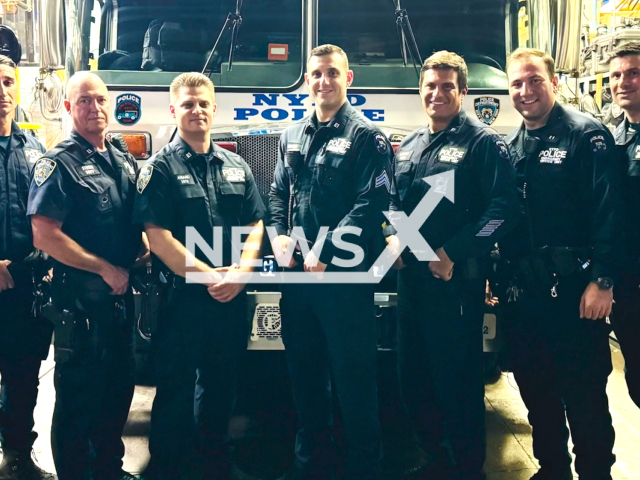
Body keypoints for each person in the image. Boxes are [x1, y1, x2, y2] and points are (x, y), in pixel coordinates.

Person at [384, 51, 520, 480]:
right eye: (430, 86)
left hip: (455, 284)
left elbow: (503, 209)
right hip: (413, 285)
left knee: (456, 384)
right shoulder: (408, 145)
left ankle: (466, 468)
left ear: (463, 91)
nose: (437, 93)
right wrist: (393, 235)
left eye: (447, 86)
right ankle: (433, 459)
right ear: (420, 91)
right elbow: (391, 200)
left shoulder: (483, 143)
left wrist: (454, 254)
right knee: (412, 378)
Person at [268, 44, 392, 480]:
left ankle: (363, 467)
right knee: (304, 375)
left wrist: (330, 248)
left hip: (343, 280)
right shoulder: (292, 134)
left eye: (332, 74)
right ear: (307, 79)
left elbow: (374, 201)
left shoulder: (367, 137)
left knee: (353, 378)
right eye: (316, 74)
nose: (323, 81)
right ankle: (311, 465)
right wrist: (278, 234)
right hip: (297, 279)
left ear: (348, 79)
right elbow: (278, 192)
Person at [133, 72, 265, 480]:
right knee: (174, 385)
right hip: (182, 298)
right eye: (188, 104)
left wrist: (242, 272)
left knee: (222, 382)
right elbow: (157, 237)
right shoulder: (159, 169)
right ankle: (170, 466)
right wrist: (212, 278)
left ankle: (214, 459)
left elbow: (257, 224)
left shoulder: (237, 165)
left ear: (214, 109)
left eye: (203, 103)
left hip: (230, 296)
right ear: (174, 110)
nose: (196, 110)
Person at [501, 48, 622, 480]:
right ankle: (552, 470)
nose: (525, 90)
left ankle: (595, 474)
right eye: (517, 83)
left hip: (576, 292)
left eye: (534, 80)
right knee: (537, 393)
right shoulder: (513, 146)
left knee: (585, 395)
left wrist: (603, 280)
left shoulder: (586, 135)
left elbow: (611, 213)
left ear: (553, 83)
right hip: (527, 297)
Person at [27, 72, 145, 480]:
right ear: (67, 107)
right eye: (83, 101)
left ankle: (109, 469)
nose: (94, 108)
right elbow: (44, 234)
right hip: (80, 302)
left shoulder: (122, 158)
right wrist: (103, 267)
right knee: (80, 400)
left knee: (118, 390)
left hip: (119, 300)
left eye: (100, 100)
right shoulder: (57, 163)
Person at [0, 54, 56, 480]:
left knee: (23, 377)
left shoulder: (35, 150)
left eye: (6, 83)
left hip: (26, 287)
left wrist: (49, 261)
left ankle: (17, 455)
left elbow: (49, 217)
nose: (1, 93)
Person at [608, 41, 640, 409]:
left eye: (633, 73)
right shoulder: (613, 138)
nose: (622, 82)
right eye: (616, 75)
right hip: (626, 283)